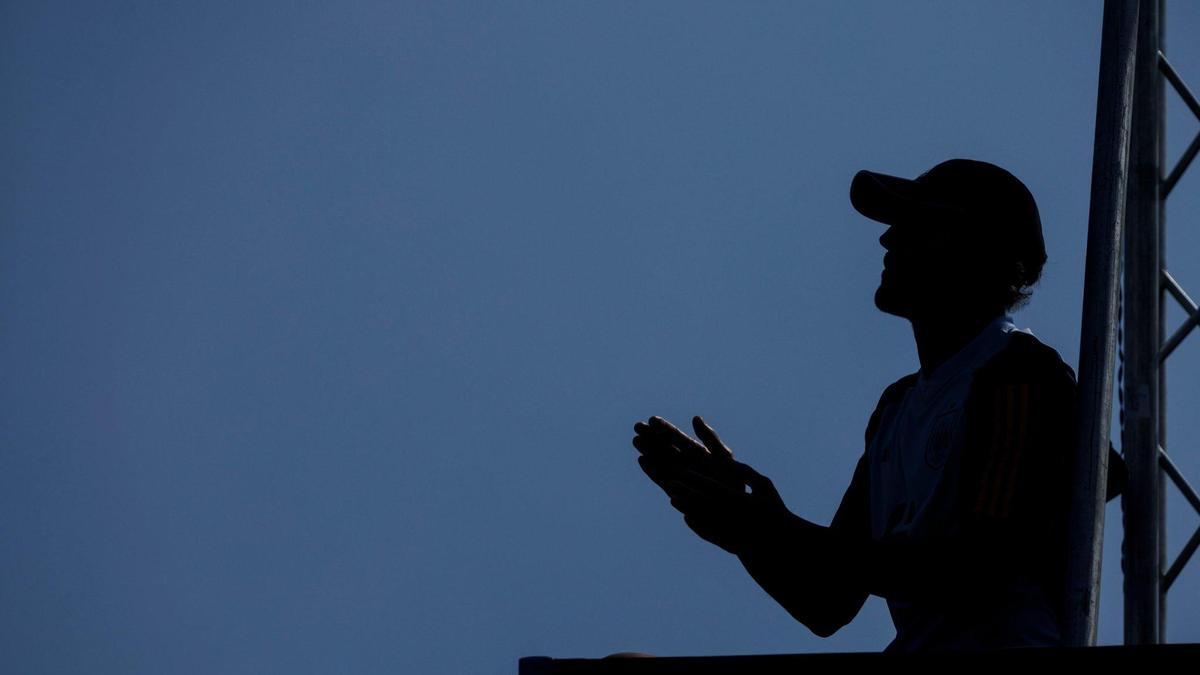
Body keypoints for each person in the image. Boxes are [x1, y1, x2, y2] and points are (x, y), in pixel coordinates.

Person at [631, 159, 1127, 652]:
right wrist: (744, 529)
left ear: (978, 250)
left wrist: (770, 526)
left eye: (918, 223)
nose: (888, 239)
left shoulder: (1021, 375)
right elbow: (827, 600)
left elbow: (977, 566)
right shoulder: (897, 407)